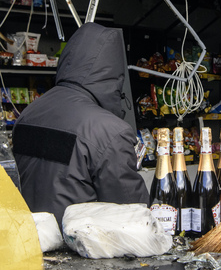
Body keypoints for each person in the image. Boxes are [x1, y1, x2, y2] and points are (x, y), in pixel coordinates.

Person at [12, 22, 149, 225]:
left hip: (29, 240)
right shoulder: (110, 131)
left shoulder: (28, 113)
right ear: (113, 72)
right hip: (78, 247)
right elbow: (132, 213)